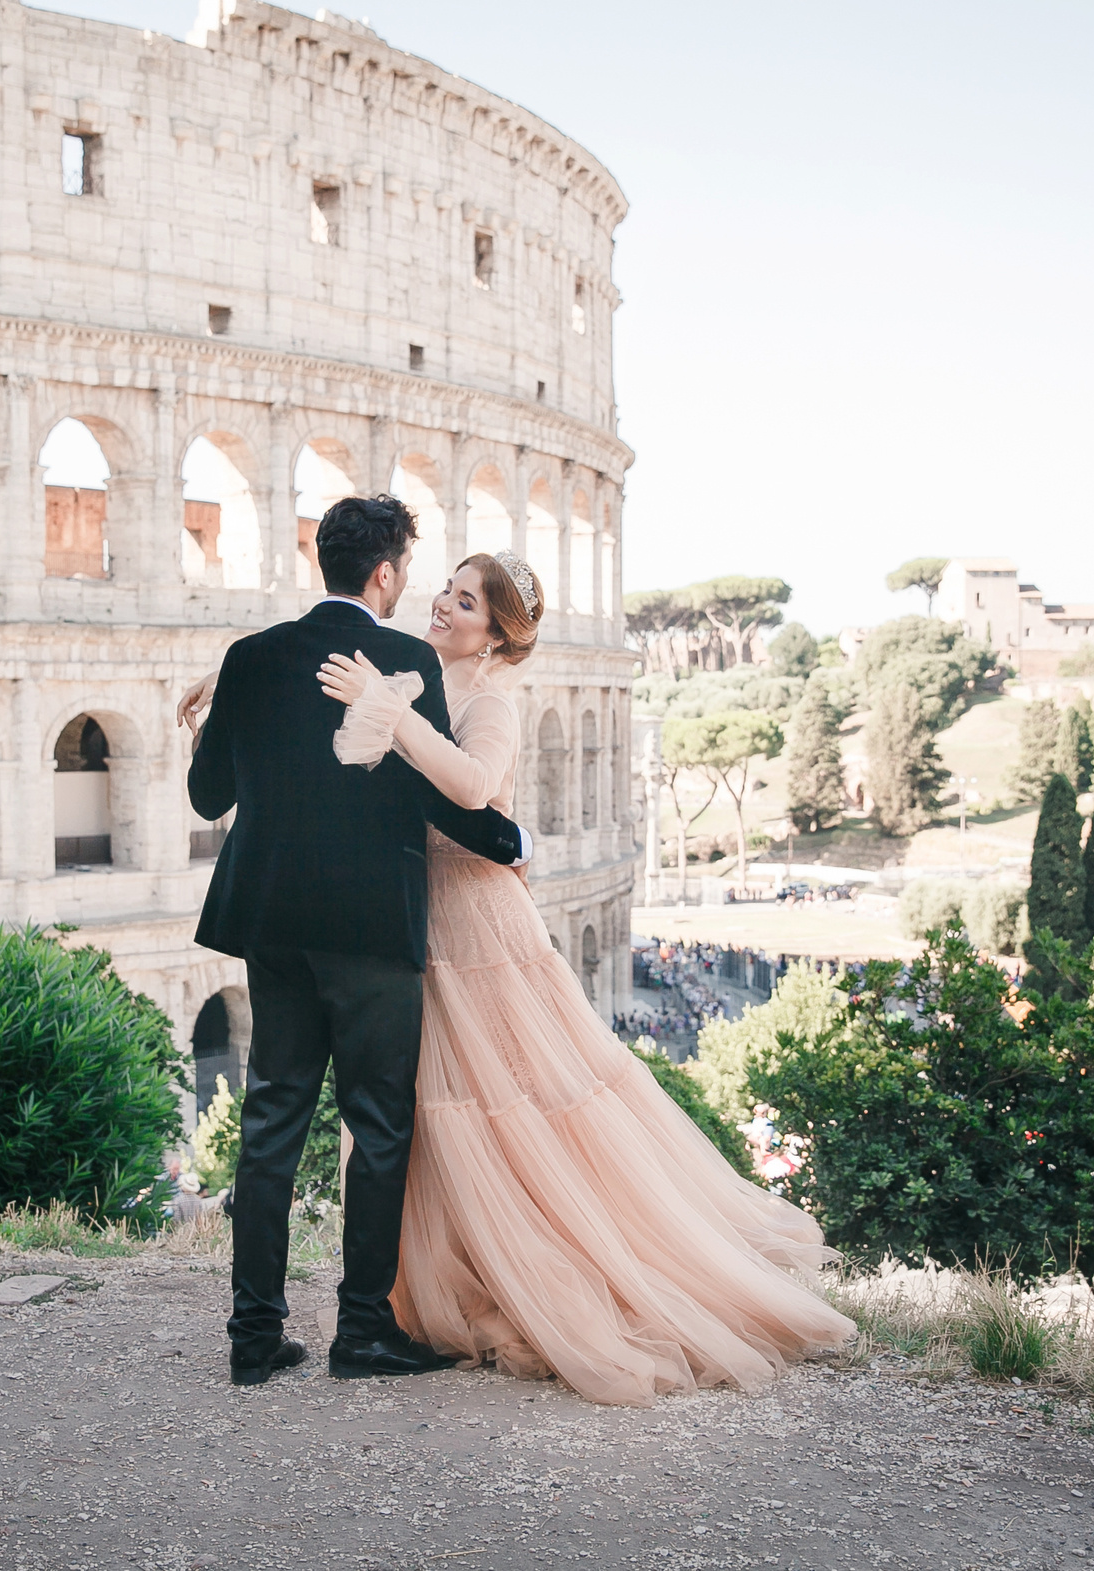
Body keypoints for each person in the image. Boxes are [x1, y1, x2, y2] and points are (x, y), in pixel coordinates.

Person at [317, 549, 853, 1405]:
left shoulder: (490, 700)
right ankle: (452, 1275)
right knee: (433, 1107)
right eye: (447, 589)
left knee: (509, 1098)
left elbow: (475, 785)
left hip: (474, 915)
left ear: (497, 636)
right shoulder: (418, 678)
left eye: (466, 602)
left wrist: (394, 715)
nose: (444, 605)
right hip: (417, 913)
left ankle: (545, 1273)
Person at [184, 496, 528, 1389]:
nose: (412, 585)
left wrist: (221, 723)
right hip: (372, 926)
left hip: (274, 922)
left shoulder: (249, 658)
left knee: (272, 1121)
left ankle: (254, 1335)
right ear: (383, 573)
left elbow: (208, 797)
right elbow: (442, 797)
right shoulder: (408, 663)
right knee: (377, 1125)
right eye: (408, 569)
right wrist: (512, 842)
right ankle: (363, 1331)